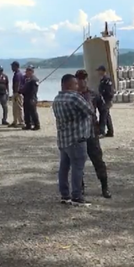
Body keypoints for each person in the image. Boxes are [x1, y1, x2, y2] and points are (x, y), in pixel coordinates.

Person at [52, 74, 95, 206]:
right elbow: (90, 111)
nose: (78, 86)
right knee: (77, 168)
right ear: (69, 84)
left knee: (64, 168)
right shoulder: (75, 97)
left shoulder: (57, 98)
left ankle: (65, 195)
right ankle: (77, 195)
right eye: (75, 84)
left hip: (63, 139)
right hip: (77, 138)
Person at [76, 70, 111, 199]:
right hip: (78, 134)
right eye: (79, 79)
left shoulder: (93, 94)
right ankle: (80, 188)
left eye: (84, 79)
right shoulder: (73, 95)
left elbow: (104, 109)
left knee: (98, 161)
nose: (82, 81)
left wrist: (102, 126)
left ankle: (105, 187)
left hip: (92, 133)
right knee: (78, 162)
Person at [96, 65, 114, 137]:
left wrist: (108, 100)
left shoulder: (107, 80)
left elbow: (109, 91)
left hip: (105, 100)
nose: (98, 72)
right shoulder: (103, 79)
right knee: (107, 116)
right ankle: (110, 131)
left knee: (103, 116)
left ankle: (101, 131)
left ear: (103, 71)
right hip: (103, 100)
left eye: (99, 71)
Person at [21, 65, 40, 130]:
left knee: (33, 112)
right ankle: (28, 125)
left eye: (28, 71)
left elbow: (34, 90)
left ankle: (36, 125)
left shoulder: (34, 80)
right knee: (26, 112)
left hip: (31, 98)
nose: (26, 72)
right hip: (26, 97)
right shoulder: (28, 80)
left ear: (31, 71)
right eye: (26, 71)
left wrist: (32, 99)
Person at [9, 61, 25, 127]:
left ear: (16, 66)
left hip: (18, 93)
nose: (11, 68)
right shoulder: (18, 73)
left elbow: (17, 84)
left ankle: (21, 122)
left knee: (19, 107)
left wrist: (16, 93)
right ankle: (15, 121)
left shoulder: (18, 74)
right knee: (15, 108)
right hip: (17, 92)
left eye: (12, 66)